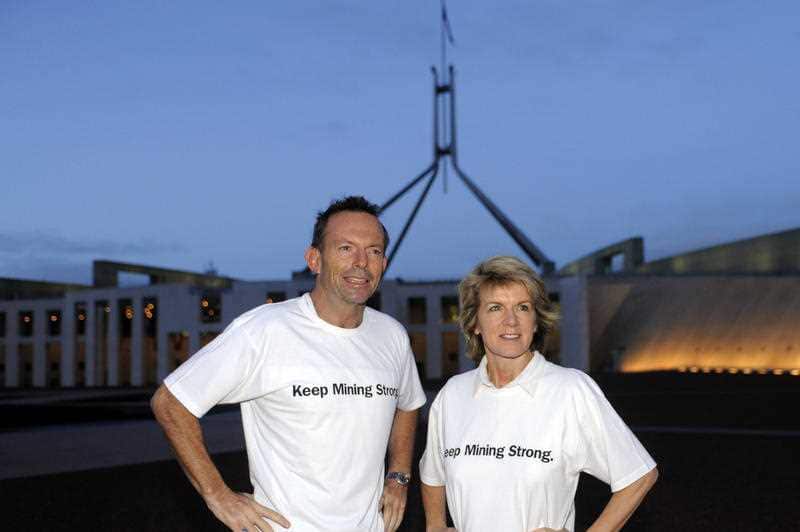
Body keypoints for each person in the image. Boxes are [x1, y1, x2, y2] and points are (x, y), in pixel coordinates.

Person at [151, 196, 426, 532]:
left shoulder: (392, 336)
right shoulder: (265, 330)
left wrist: (399, 476)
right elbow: (171, 402)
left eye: (374, 251)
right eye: (345, 248)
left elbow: (409, 403)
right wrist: (218, 495)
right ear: (314, 259)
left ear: (383, 263)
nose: (361, 262)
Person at [419, 256, 658, 532]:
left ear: (535, 322)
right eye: (495, 308)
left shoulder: (570, 390)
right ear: (475, 323)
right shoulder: (453, 395)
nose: (511, 321)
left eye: (523, 307)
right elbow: (432, 474)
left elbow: (638, 475)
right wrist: (435, 525)